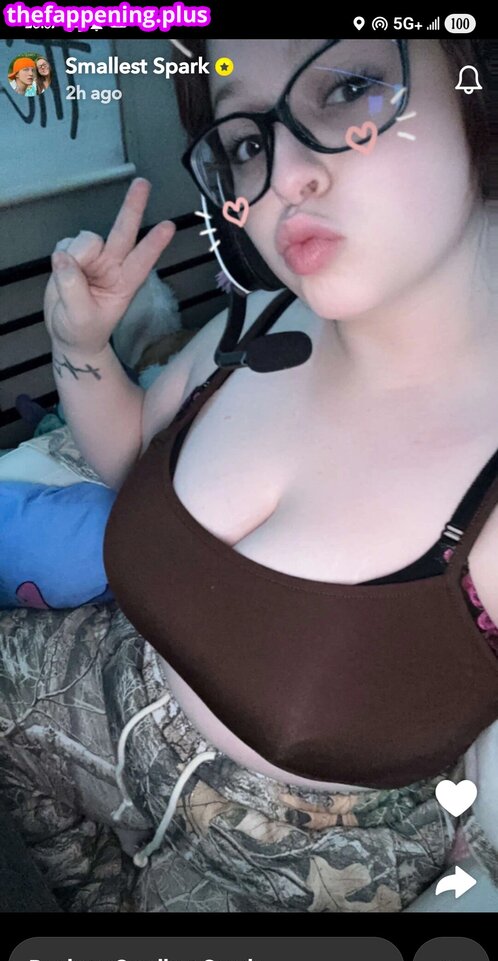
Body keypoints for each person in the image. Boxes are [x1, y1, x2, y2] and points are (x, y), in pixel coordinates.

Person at [12, 38, 498, 911]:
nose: (283, 178)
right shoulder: (255, 320)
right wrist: (79, 345)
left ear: (480, 88)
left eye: (349, 87)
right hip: (116, 692)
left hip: (296, 861)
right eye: (245, 142)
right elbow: (133, 461)